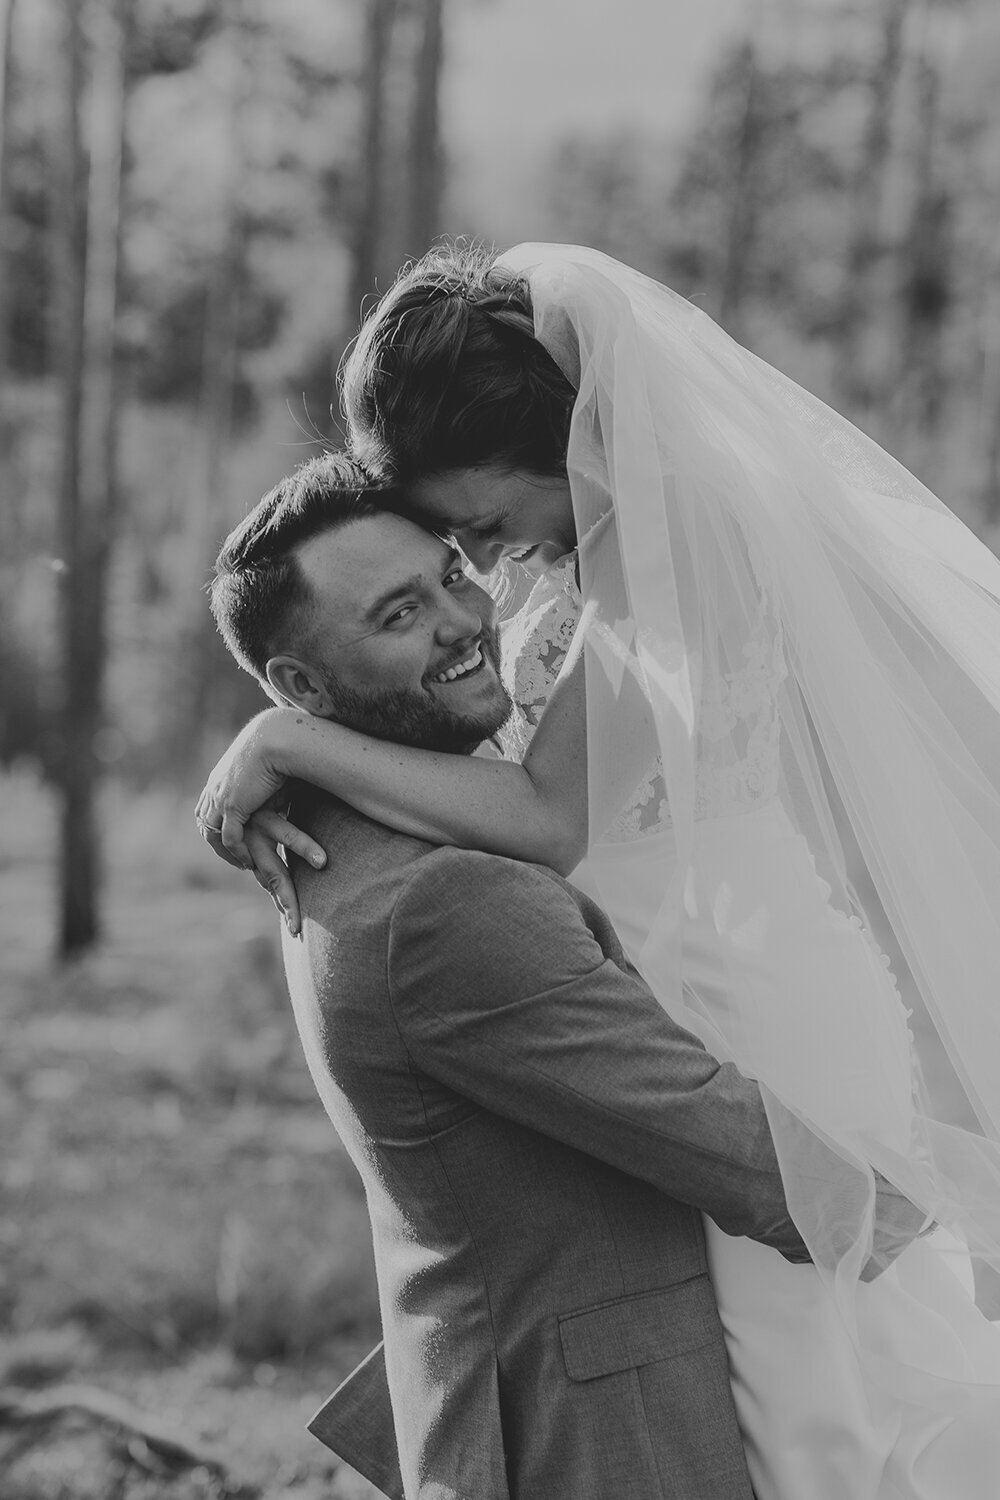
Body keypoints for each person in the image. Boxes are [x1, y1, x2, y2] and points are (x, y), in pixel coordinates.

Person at [198, 245, 1000, 1497]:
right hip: (696, 964)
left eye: (474, 527)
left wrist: (286, 736)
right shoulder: (612, 542)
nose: (492, 559)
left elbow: (546, 812)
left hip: (739, 983)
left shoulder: (675, 538)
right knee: (790, 1388)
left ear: (552, 445)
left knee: (826, 1395)